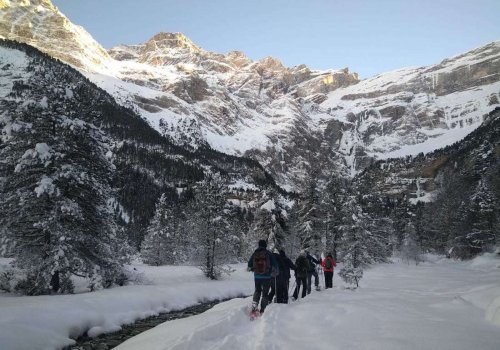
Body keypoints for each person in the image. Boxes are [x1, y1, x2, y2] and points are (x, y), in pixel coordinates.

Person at [248, 239, 278, 314]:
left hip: (257, 276)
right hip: (267, 277)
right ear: (265, 245)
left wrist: (253, 268)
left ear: (259, 245)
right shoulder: (268, 253)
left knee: (257, 291)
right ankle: (263, 310)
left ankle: (254, 305)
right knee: (265, 293)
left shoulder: (255, 253)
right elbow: (275, 265)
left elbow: (249, 264)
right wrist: (274, 272)